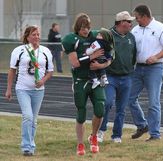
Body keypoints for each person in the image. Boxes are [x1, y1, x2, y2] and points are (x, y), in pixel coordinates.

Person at [62, 13, 113, 155]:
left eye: (88, 27)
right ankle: (80, 144)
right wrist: (92, 56)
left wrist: (102, 65)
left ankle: (94, 136)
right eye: (83, 27)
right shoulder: (71, 39)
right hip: (81, 80)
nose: (86, 30)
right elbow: (75, 63)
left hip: (96, 79)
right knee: (81, 112)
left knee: (100, 108)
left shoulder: (96, 36)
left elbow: (111, 53)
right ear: (78, 27)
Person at [129, 4, 163, 141]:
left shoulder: (161, 28)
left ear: (144, 16)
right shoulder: (135, 30)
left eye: (137, 17)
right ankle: (142, 125)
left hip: (155, 69)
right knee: (129, 98)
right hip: (137, 69)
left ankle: (155, 135)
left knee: (153, 102)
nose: (135, 20)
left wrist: (156, 57)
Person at [5, 25, 54, 156]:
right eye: (34, 34)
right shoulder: (19, 50)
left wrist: (42, 81)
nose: (37, 37)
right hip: (23, 89)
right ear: (27, 37)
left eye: (38, 34)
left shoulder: (45, 51)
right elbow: (12, 70)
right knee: (27, 116)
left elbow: (50, 71)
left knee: (34, 119)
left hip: (39, 90)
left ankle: (31, 146)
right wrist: (8, 89)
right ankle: (26, 146)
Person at [97, 11, 136, 143]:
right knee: (107, 103)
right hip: (110, 76)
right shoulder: (108, 35)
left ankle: (117, 135)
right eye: (129, 21)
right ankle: (101, 131)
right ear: (120, 23)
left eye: (131, 22)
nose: (131, 24)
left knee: (121, 108)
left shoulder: (131, 37)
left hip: (126, 77)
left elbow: (133, 55)